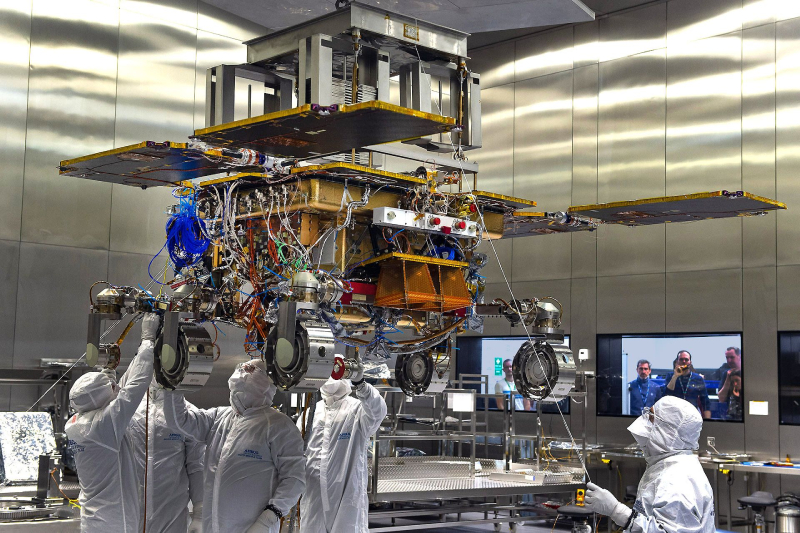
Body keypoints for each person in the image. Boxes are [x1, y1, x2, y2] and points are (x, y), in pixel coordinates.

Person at [162, 358, 305, 533]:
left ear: (266, 383)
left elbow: (295, 479)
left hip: (252, 528)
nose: (243, 372)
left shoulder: (279, 426)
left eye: (251, 370)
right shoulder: (219, 417)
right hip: (213, 526)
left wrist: (268, 519)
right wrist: (172, 385)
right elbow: (179, 422)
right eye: (243, 368)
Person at [65, 313, 160, 533]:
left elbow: (119, 393)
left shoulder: (76, 423)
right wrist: (147, 339)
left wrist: (108, 375)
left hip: (96, 519)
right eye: (110, 389)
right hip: (114, 522)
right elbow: (136, 386)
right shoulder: (101, 426)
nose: (115, 389)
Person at [584, 396, 715, 532]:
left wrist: (617, 511)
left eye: (651, 418)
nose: (644, 421)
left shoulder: (677, 480)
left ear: (669, 431)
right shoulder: (672, 464)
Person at [299, 367, 387, 533]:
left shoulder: (357, 409)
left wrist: (361, 384)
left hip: (346, 501)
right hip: (313, 501)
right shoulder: (312, 412)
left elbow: (378, 412)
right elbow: (297, 451)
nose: (330, 377)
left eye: (335, 370)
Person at [129, 376, 206, 532]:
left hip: (172, 517)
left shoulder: (186, 414)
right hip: (129, 514)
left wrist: (199, 513)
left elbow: (196, 466)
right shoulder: (129, 410)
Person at [663, 351, 711, 419]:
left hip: (692, 414)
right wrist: (675, 376)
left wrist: (708, 420)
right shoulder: (670, 376)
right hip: (674, 415)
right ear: (677, 361)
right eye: (681, 359)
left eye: (686, 359)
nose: (684, 361)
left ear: (690, 362)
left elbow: (705, 401)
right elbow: (666, 394)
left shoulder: (697, 378)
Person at [716, 347, 742, 419]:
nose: (729, 360)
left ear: (739, 356)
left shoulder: (747, 372)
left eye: (732, 357)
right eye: (727, 358)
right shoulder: (726, 373)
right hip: (731, 415)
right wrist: (728, 378)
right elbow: (721, 399)